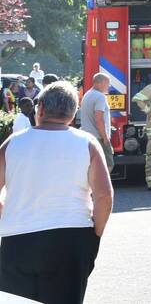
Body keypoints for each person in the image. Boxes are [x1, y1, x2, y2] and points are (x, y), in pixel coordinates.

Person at [0, 81, 113, 304]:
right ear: (73, 114)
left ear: (39, 109)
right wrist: (95, 233)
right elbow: (104, 196)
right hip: (71, 239)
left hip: (18, 240)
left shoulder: (12, 144)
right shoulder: (87, 143)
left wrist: (6, 216)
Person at [80, 74, 114, 173]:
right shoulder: (100, 97)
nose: (109, 86)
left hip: (87, 136)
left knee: (93, 165)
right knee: (108, 164)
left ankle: (91, 186)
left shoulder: (87, 94)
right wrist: (105, 138)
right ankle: (100, 187)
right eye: (108, 83)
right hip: (98, 137)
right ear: (101, 82)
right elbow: (99, 119)